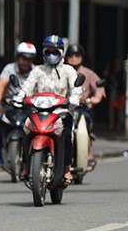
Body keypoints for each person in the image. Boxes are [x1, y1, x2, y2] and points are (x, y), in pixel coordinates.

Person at [13, 34, 82, 185]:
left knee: (67, 134)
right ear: (43, 53)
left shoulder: (68, 70)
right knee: (26, 129)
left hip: (61, 112)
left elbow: (76, 87)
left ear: (61, 54)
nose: (52, 55)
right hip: (39, 111)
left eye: (55, 52)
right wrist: (19, 98)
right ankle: (25, 166)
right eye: (48, 52)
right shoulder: (38, 70)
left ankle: (66, 169)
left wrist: (74, 99)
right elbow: (28, 85)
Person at [0, 41, 36, 167]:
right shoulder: (9, 68)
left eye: (29, 59)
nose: (26, 62)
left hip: (30, 105)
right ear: (18, 57)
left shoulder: (36, 71)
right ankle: (0, 154)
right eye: (23, 58)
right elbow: (1, 84)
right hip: (13, 104)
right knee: (2, 122)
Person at [64, 44, 105, 171]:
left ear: (82, 57)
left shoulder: (88, 73)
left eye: (77, 55)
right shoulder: (60, 71)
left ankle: (88, 155)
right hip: (62, 107)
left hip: (81, 108)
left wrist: (96, 98)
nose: (74, 58)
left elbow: (99, 87)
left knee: (84, 127)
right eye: (70, 55)